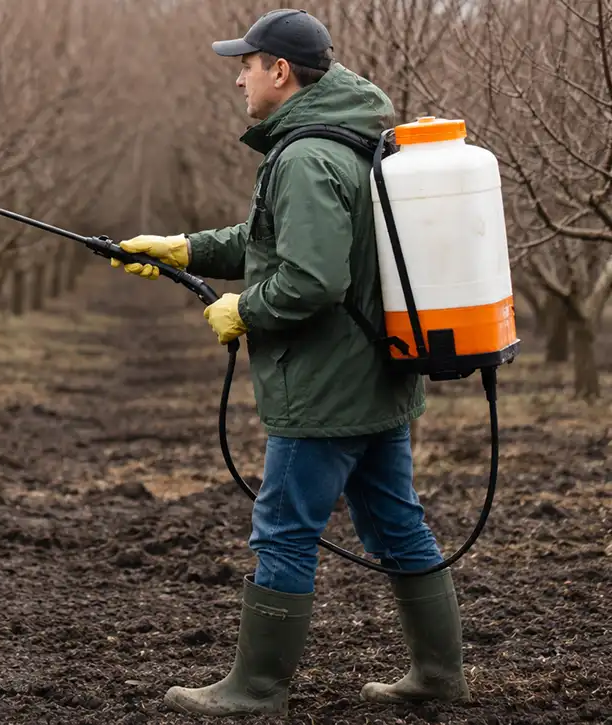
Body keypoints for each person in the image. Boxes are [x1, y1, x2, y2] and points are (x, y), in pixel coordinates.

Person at [111, 8, 471, 718]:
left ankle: (256, 687)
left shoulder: (306, 156)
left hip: (325, 388)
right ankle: (439, 672)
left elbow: (311, 280)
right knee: (398, 523)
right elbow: (269, 237)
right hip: (374, 379)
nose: (239, 77)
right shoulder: (345, 141)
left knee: (282, 527)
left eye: (245, 64)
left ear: (281, 71)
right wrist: (184, 247)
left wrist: (242, 310)